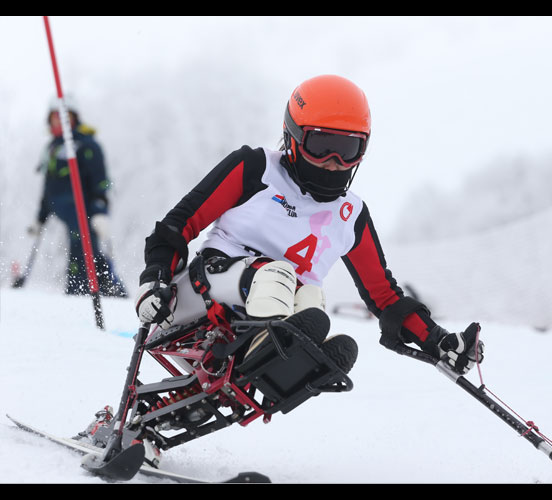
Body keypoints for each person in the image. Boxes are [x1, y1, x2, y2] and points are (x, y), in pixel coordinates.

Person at [122, 75, 483, 465]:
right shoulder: (256, 168)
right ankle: (265, 349)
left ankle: (264, 366)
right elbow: (179, 225)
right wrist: (155, 279)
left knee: (312, 301)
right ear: (293, 138)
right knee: (278, 277)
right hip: (200, 295)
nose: (334, 162)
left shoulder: (351, 215)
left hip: (261, 317)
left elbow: (384, 296)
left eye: (348, 149)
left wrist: (439, 342)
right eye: (323, 145)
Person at [31, 96, 127, 297]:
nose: (58, 123)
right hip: (62, 209)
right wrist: (40, 218)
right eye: (54, 119)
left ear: (73, 119)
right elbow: (48, 188)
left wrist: (100, 211)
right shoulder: (51, 149)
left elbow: (100, 181)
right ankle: (106, 288)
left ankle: (85, 292)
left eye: (64, 118)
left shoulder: (87, 146)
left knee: (83, 246)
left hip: (84, 210)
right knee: (85, 248)